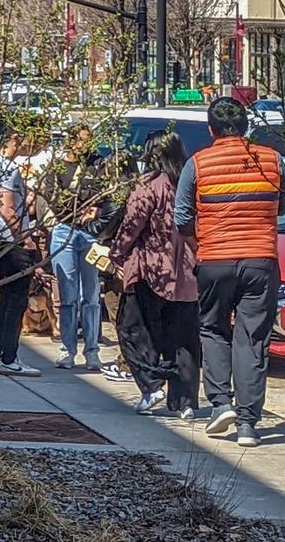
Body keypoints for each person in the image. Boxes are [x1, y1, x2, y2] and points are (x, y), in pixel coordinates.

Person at [173, 97, 285, 447]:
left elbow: (182, 219)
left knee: (212, 329)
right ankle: (248, 424)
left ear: (211, 130)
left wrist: (200, 248)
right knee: (253, 338)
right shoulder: (272, 160)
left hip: (214, 259)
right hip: (261, 260)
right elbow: (282, 205)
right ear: (246, 128)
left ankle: (221, 402)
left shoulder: (197, 164)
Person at [112, 133, 201, 417]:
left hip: (151, 272)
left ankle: (151, 386)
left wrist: (116, 254)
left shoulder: (149, 185)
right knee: (183, 340)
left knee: (132, 330)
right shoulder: (189, 185)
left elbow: (131, 225)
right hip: (187, 275)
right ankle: (184, 401)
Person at [42, 137, 105, 372]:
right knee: (68, 295)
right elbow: (53, 197)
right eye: (80, 141)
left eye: (89, 141)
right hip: (64, 229)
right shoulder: (58, 166)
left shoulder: (98, 165)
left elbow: (103, 196)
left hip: (89, 233)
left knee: (91, 295)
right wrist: (78, 206)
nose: (84, 146)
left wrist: (94, 210)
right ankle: (68, 349)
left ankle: (92, 351)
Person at [0, 132, 43, 378]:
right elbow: (7, 207)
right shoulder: (8, 168)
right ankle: (9, 356)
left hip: (0, 238)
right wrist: (24, 237)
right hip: (12, 240)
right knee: (17, 300)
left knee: (6, 297)